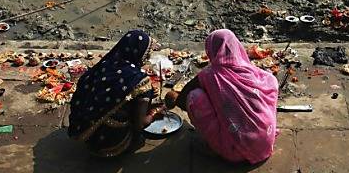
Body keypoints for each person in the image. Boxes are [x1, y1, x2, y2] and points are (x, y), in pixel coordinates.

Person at [166, 29, 279, 164]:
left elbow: (182, 100)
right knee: (266, 83)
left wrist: (173, 96)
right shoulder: (259, 74)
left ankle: (217, 148)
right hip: (264, 144)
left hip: (235, 153)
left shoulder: (210, 75)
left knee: (194, 97)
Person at [67, 29, 163, 158]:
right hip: (110, 142)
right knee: (139, 135)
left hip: (84, 130)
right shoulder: (140, 80)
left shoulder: (105, 65)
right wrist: (154, 113)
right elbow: (140, 124)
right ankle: (120, 144)